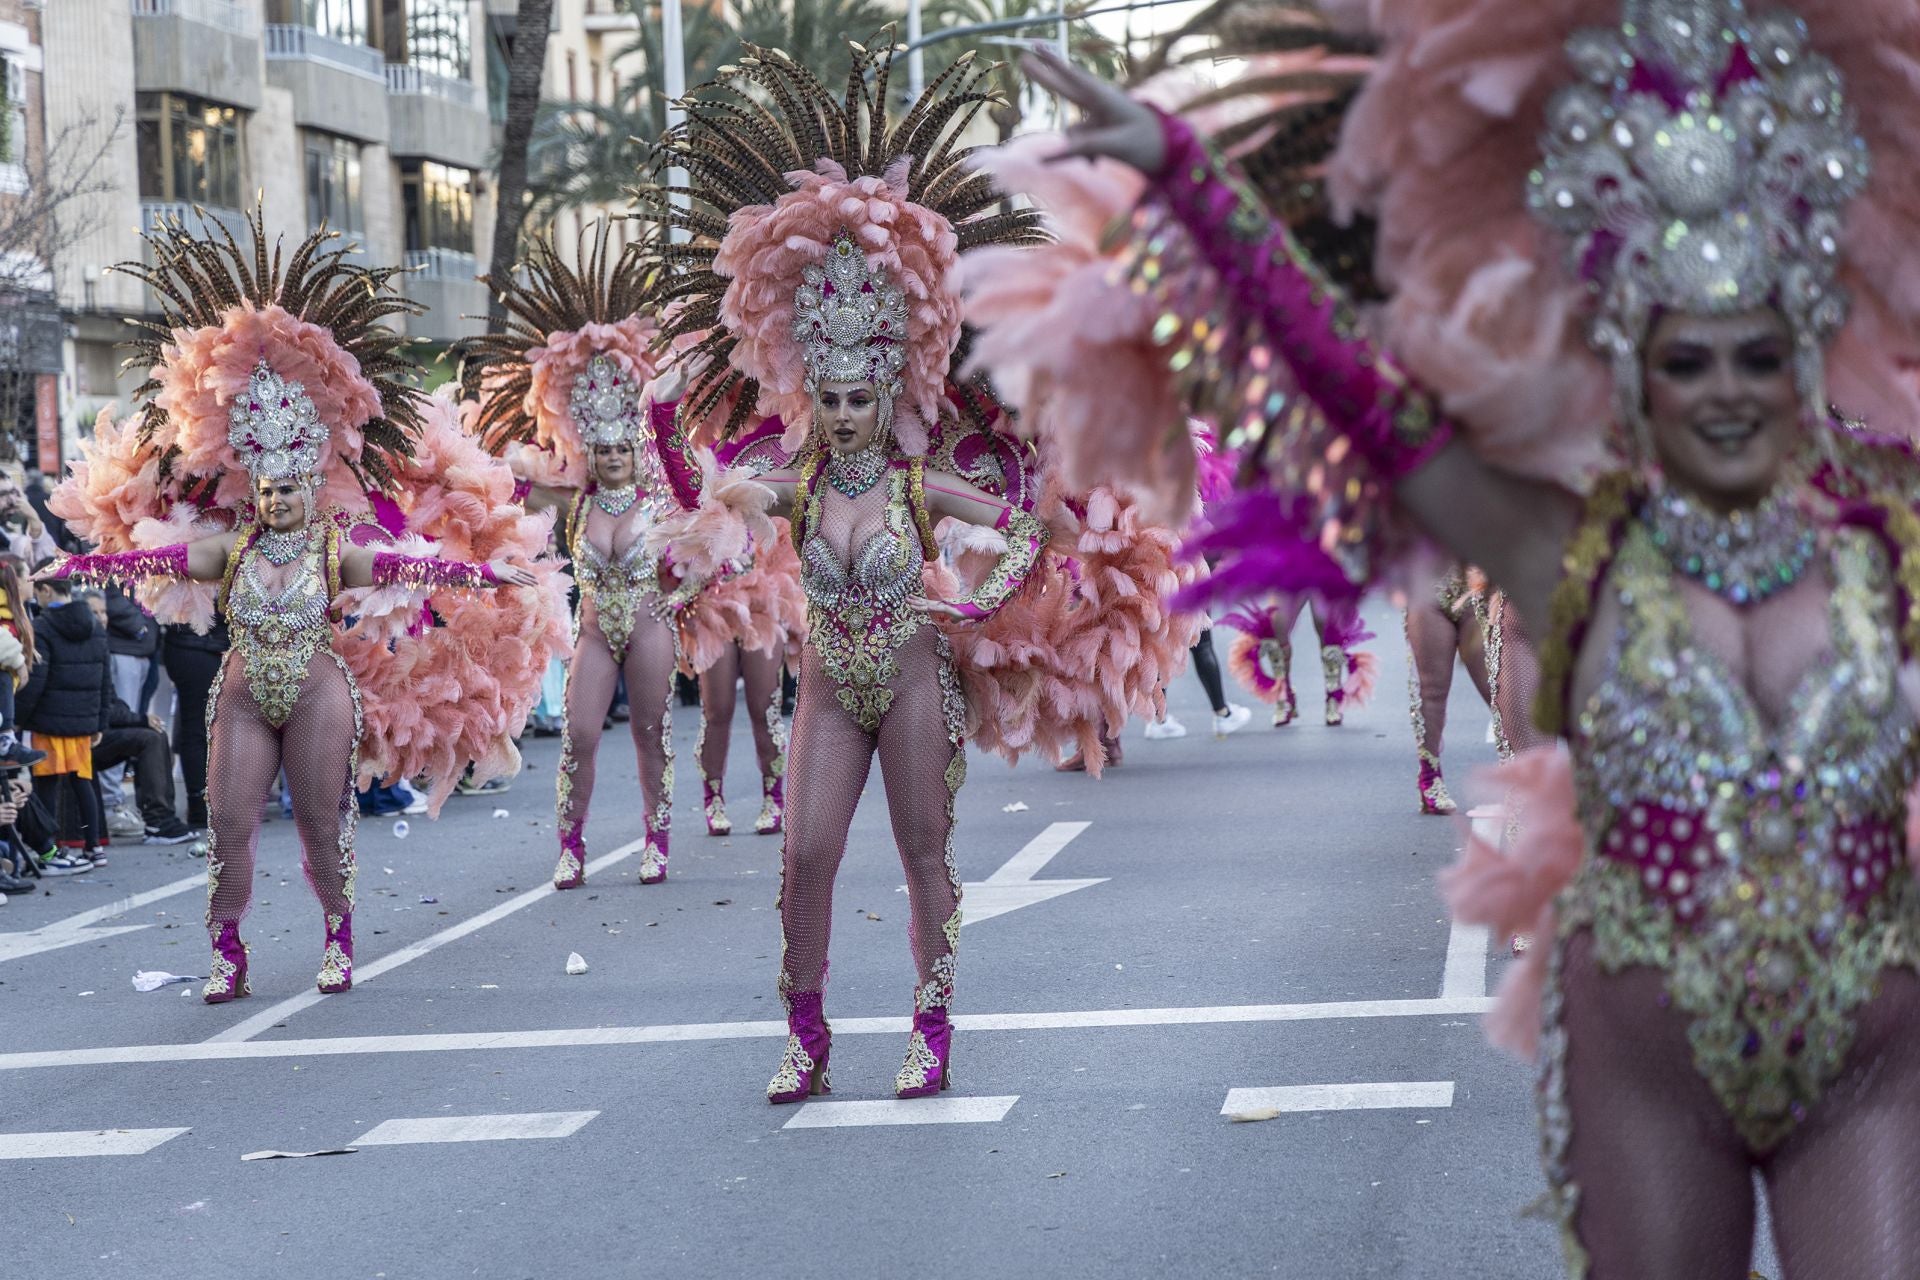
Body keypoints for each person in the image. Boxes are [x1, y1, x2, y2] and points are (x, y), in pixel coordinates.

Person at [1012, 3, 1920, 1273]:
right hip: (1653, 1075)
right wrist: (1185, 180)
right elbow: (1355, 395)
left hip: (1869, 1072)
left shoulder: (1894, 539)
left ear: (1805, 353)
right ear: (1635, 369)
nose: (1725, 391)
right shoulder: (1572, 555)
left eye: (1756, 357)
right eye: (1689, 358)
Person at [636, 36, 1193, 1103]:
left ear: (888, 388)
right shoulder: (791, 481)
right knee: (803, 855)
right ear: (813, 388)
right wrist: (693, 571)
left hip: (911, 676)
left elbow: (1036, 530)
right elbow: (729, 520)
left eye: (860, 397)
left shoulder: (918, 482)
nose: (844, 413)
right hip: (830, 687)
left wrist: (979, 598)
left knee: (922, 851)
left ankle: (930, 1028)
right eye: (830, 395)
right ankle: (806, 1032)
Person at [47, 214, 553, 1004]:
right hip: (245, 697)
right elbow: (149, 559)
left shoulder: (334, 551)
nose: (281, 497)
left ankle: (339, 941)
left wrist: (491, 574)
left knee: (323, 827)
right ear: (255, 485)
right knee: (230, 827)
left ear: (309, 483)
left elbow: (408, 566)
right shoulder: (229, 551)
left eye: (293, 485)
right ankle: (227, 955)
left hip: (318, 694)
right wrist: (76, 562)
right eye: (270, 486)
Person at [460, 224, 698, 890]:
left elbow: (718, 549)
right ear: (592, 449)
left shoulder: (661, 499)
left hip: (650, 630)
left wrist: (678, 598)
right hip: (595, 632)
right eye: (605, 449)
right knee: (582, 737)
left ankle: (657, 841)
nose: (615, 456)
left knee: (651, 734)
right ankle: (570, 846)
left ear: (633, 449)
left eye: (624, 447)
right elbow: (507, 476)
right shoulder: (575, 501)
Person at [14, 576, 109, 864]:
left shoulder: (42, 626)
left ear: (46, 590)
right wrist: (100, 722)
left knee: (47, 783)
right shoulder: (94, 625)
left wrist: (18, 718)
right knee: (83, 782)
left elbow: (37, 680)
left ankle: (50, 848)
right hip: (83, 722)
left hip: (49, 719)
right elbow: (106, 678)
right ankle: (94, 846)